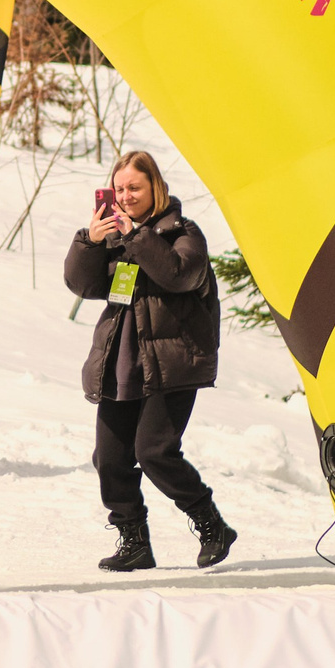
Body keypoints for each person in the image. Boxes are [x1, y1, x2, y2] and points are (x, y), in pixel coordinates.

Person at [60, 149, 236, 572]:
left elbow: (179, 274)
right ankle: (133, 540)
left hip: (173, 362)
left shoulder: (183, 232)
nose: (125, 195)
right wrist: (91, 241)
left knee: (154, 451)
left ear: (154, 187)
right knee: (110, 457)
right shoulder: (116, 239)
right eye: (119, 188)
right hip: (123, 362)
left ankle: (211, 524)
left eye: (134, 187)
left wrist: (137, 235)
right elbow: (82, 285)